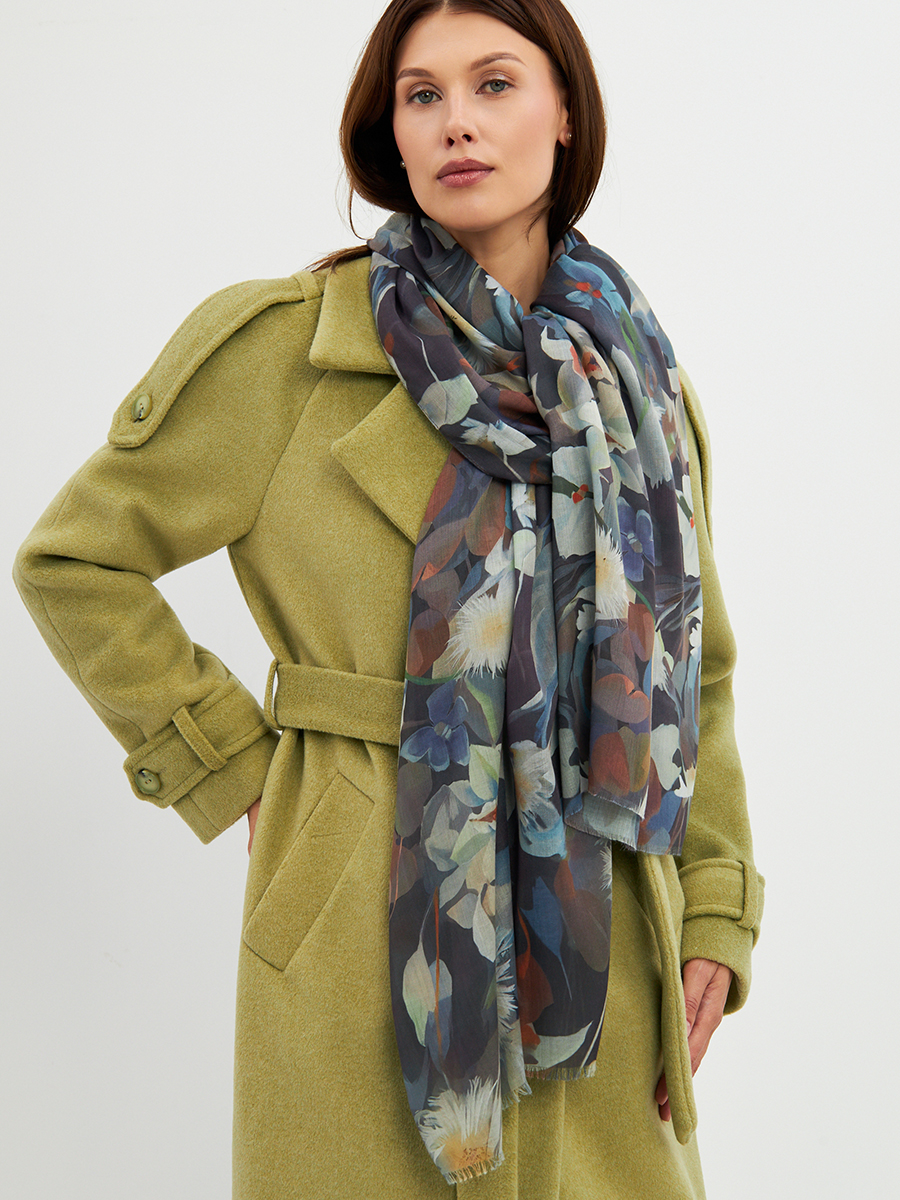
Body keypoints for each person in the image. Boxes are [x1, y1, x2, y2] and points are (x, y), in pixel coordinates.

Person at [13, 0, 764, 1196]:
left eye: (494, 83)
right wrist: (241, 771)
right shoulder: (287, 352)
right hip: (370, 905)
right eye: (423, 95)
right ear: (391, 132)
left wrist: (715, 907)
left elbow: (693, 670)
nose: (457, 122)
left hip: (608, 922)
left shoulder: (635, 387)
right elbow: (75, 560)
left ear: (565, 112)